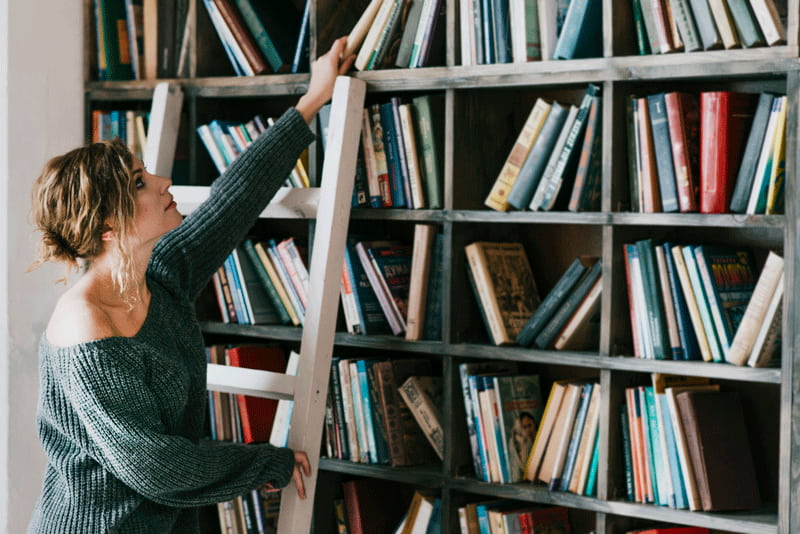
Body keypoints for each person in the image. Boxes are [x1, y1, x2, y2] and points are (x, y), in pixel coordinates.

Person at [26, 36, 355, 534]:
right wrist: (263, 462)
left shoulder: (160, 274)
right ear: (109, 227)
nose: (161, 181)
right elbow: (155, 467)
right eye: (139, 183)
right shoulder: (85, 325)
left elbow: (234, 199)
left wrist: (311, 101)